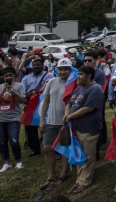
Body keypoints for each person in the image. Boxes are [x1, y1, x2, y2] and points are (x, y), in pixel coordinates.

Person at [64, 65, 104, 195]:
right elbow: (69, 103)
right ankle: (79, 179)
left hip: (89, 128)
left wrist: (69, 116)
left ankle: (85, 181)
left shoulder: (95, 89)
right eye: (78, 74)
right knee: (79, 155)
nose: (78, 77)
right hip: (77, 128)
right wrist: (66, 115)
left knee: (88, 156)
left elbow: (88, 108)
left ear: (89, 76)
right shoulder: (78, 88)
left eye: (81, 75)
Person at [39, 59, 73, 189]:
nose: (63, 71)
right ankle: (51, 175)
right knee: (47, 147)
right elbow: (45, 102)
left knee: (64, 148)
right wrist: (42, 120)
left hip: (65, 121)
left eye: (66, 69)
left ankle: (63, 174)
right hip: (51, 120)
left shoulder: (72, 83)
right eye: (61, 69)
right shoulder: (52, 82)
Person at [0, 68, 26, 173]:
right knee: (2, 141)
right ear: (3, 77)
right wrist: (3, 91)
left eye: (10, 75)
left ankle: (18, 161)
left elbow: (22, 100)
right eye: (6, 76)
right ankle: (6, 162)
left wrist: (14, 92)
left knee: (14, 140)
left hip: (13, 117)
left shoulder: (20, 86)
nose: (8, 77)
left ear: (14, 76)